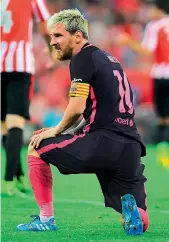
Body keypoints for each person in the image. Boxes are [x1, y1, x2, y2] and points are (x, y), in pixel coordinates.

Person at [16, 9, 149, 235]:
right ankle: (134, 212)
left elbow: (76, 108)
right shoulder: (110, 59)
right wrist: (71, 132)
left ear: (77, 36)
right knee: (138, 220)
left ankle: (46, 219)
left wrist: (55, 131)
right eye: (51, 37)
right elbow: (97, 110)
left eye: (58, 36)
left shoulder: (82, 58)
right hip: (131, 146)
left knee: (36, 145)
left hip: (102, 142)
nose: (53, 42)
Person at [1, 0, 52, 195]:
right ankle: (7, 181)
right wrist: (51, 49)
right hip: (19, 66)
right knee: (15, 124)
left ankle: (18, 175)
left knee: (5, 125)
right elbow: (45, 23)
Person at [117, 0, 169, 167]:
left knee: (162, 117)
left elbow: (147, 51)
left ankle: (164, 153)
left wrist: (128, 41)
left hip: (161, 74)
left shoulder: (155, 26)